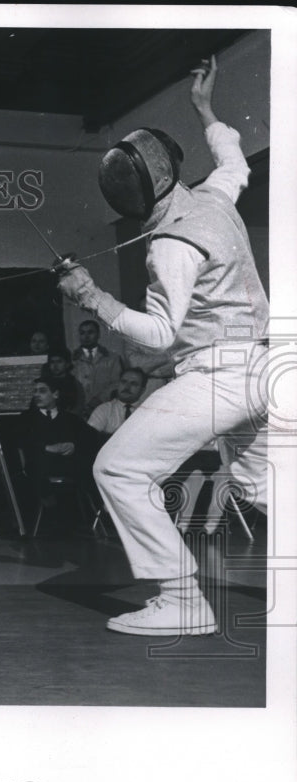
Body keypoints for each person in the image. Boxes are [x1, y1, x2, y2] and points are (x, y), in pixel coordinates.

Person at [56, 56, 268, 636]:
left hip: (216, 378)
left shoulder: (170, 243)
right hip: (265, 372)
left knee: (119, 470)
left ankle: (181, 601)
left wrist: (92, 297)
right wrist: (205, 109)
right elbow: (232, 159)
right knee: (262, 484)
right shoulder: (213, 199)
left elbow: (159, 334)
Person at [17, 376, 95, 532]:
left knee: (88, 463)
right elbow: (21, 443)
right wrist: (46, 448)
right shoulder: (25, 419)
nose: (37, 395)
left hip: (68, 465)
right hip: (39, 466)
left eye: (42, 391)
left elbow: (90, 439)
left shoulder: (71, 419)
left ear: (56, 394)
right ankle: (50, 507)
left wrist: (73, 445)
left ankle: (92, 515)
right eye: (35, 391)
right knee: (35, 466)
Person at [71, 319, 124, 413]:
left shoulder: (112, 358)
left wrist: (99, 399)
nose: (86, 336)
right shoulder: (71, 359)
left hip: (104, 407)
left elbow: (116, 383)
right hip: (77, 408)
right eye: (82, 333)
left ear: (98, 334)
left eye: (90, 332)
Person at [86, 367, 147, 442]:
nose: (127, 387)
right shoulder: (104, 409)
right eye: (123, 382)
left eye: (133, 384)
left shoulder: (148, 412)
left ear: (142, 390)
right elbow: (89, 437)